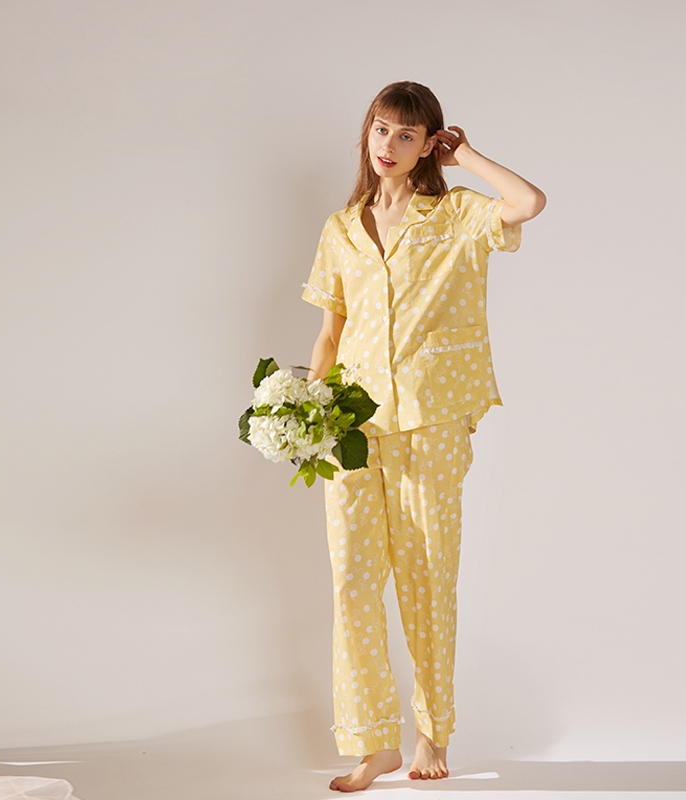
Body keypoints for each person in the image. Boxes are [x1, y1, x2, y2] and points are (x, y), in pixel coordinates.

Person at [302, 81, 546, 793]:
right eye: (381, 129)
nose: (389, 144)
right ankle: (372, 741)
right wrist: (309, 411)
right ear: (367, 132)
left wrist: (465, 157)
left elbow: (528, 202)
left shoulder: (457, 215)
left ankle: (433, 729)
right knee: (351, 581)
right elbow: (330, 334)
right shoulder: (341, 228)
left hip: (431, 420)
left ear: (428, 143)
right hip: (351, 424)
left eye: (407, 134)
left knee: (428, 576)